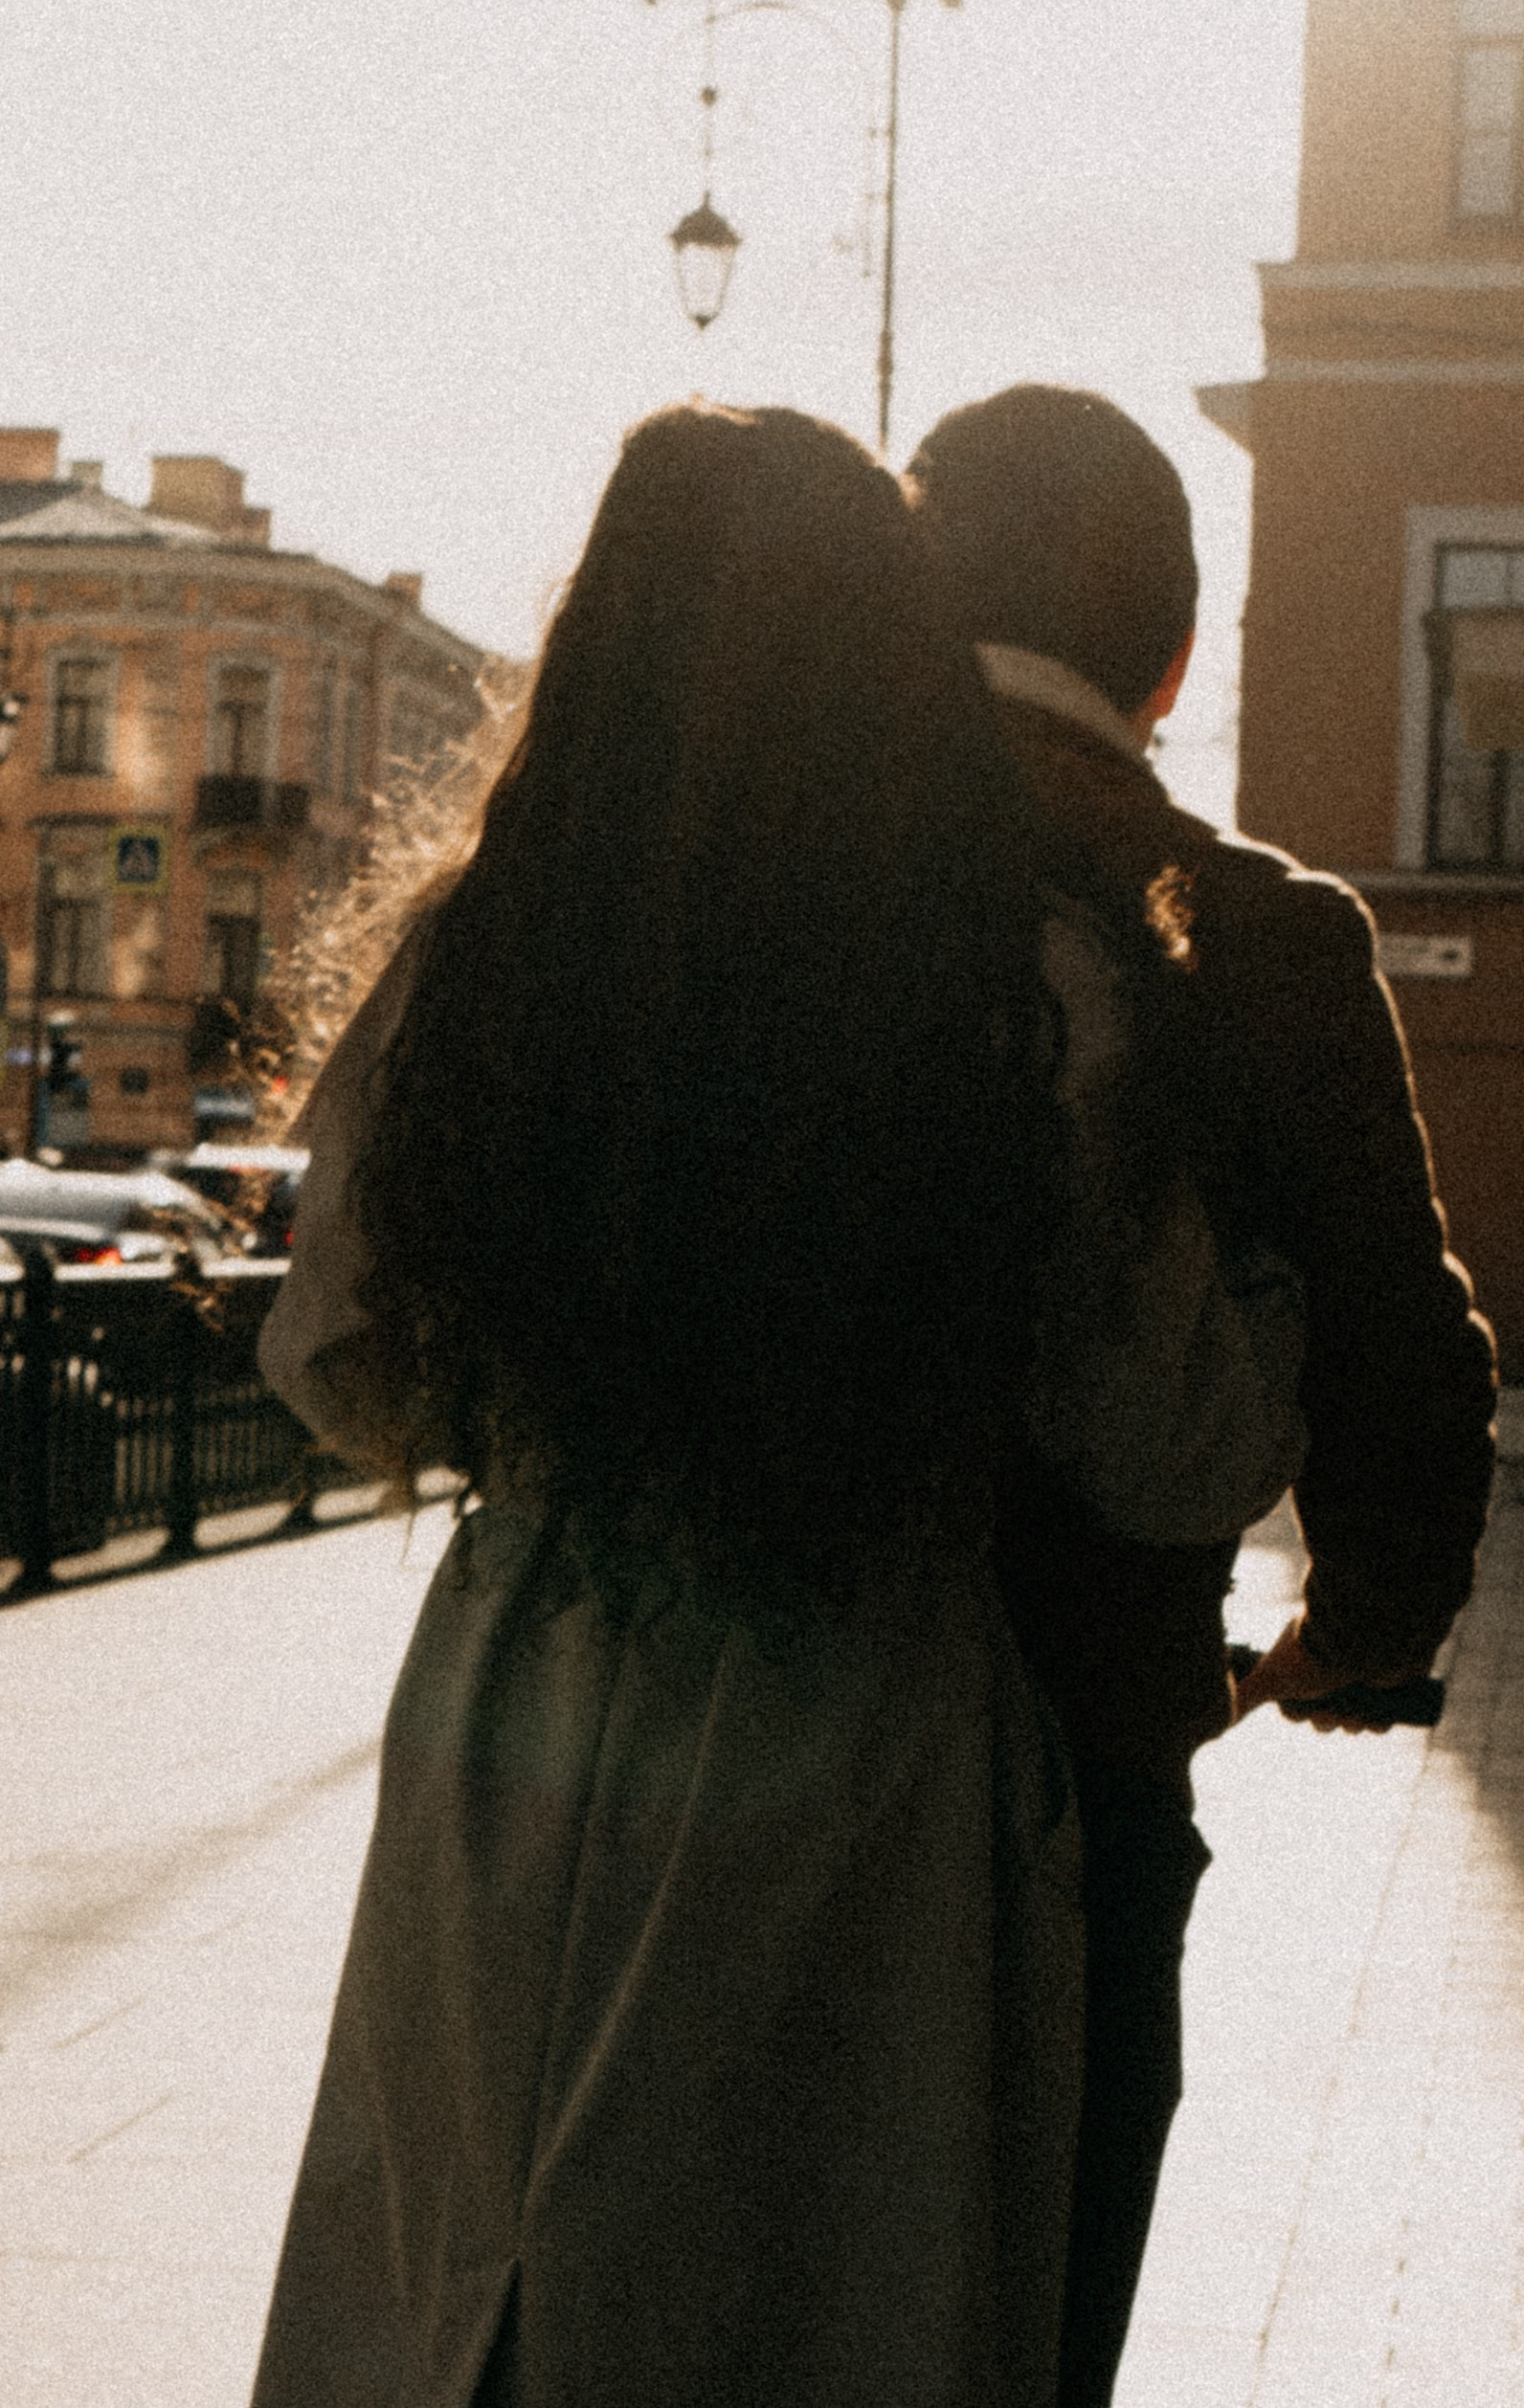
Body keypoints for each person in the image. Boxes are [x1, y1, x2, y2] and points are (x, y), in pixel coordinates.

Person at [248, 402, 1289, 2408]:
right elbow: (1181, 1448)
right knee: (807, 2285)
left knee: (470, 2264)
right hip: (871, 1701)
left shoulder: (481, 966)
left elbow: (327, 1352)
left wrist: (551, 1408)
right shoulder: (1018, 990)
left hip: (523, 1684)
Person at [906, 382, 1500, 2408]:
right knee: (1037, 2300)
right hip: (1092, 1733)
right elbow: (1399, 1347)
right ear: (1169, 656)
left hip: (739, 1731)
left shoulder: (783, 890)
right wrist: (1361, 1627)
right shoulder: (1267, 935)